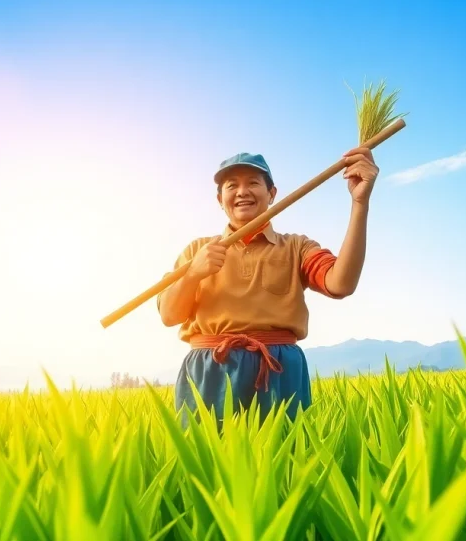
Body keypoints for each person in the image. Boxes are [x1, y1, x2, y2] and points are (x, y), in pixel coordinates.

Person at [157, 146, 379, 427]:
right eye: (231, 185)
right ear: (219, 199)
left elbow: (341, 283)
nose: (242, 191)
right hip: (211, 369)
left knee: (286, 460)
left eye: (253, 183)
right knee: (207, 463)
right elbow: (169, 315)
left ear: (272, 194)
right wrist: (193, 275)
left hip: (278, 369)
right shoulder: (197, 250)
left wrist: (360, 204)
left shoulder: (296, 247)